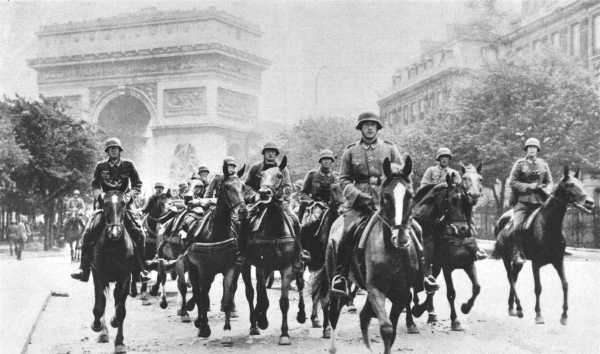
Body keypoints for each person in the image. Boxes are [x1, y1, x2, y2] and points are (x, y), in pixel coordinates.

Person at [331, 112, 439, 297]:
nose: (370, 128)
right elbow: (344, 180)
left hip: (388, 204)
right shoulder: (350, 152)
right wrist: (358, 196)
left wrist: (401, 195)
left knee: (416, 230)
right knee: (346, 232)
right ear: (360, 128)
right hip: (360, 205)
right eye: (366, 125)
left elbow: (403, 175)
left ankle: (424, 275)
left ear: (378, 128)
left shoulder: (390, 148)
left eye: (373, 125)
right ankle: (341, 276)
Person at [71, 137, 149, 282]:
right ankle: (83, 269)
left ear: (120, 151)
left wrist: (129, 196)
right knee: (88, 232)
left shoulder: (128, 165)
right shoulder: (100, 166)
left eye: (116, 149)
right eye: (111, 149)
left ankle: (141, 269)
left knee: (140, 233)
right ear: (107, 151)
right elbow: (95, 185)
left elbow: (137, 184)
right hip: (106, 204)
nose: (114, 151)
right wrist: (99, 196)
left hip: (124, 204)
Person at [507, 138, 553, 254]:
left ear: (538, 150)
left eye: (534, 147)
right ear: (526, 150)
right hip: (523, 202)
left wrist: (546, 189)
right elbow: (512, 182)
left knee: (553, 224)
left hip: (540, 202)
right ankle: (517, 252)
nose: (532, 150)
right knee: (517, 226)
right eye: (529, 147)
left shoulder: (543, 164)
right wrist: (529, 186)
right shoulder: (520, 164)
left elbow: (550, 182)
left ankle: (553, 249)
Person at [298, 149, 338, 226]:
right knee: (309, 224)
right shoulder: (312, 175)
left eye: (329, 159)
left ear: (332, 161)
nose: (326, 161)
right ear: (320, 161)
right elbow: (302, 193)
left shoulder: (335, 177)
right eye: (324, 159)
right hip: (315, 205)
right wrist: (311, 202)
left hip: (331, 207)